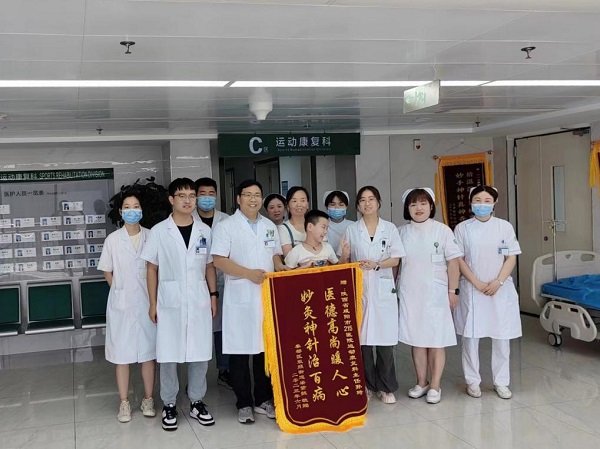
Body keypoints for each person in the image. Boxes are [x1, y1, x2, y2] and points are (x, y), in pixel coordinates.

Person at [142, 178, 217, 431]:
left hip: (198, 299)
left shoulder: (204, 231)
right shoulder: (159, 231)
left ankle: (197, 401)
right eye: (182, 196)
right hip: (169, 300)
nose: (188, 201)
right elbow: (151, 268)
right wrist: (153, 303)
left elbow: (209, 266)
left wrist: (213, 296)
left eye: (192, 196)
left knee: (200, 353)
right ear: (171, 200)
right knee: (168, 353)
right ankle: (170, 403)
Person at [211, 179, 287, 424]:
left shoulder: (268, 225)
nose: (253, 199)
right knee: (240, 352)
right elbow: (219, 260)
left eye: (257, 195)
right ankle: (243, 403)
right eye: (248, 194)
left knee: (264, 350)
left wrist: (281, 268)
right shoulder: (226, 226)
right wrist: (247, 273)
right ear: (238, 199)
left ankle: (262, 400)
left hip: (265, 296)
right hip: (240, 296)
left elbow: (274, 255)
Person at [454, 185, 522, 400]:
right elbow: (458, 259)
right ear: (470, 202)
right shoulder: (462, 228)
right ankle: (472, 381)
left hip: (499, 289)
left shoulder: (504, 227)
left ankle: (501, 382)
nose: (482, 205)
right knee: (471, 337)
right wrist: (476, 282)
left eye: (486, 201)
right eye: (477, 200)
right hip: (472, 289)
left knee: (501, 336)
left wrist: (498, 282)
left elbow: (511, 257)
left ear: (494, 203)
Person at [339, 186, 404, 404]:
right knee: (363, 342)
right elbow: (344, 262)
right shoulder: (351, 230)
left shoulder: (390, 228)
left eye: (371, 199)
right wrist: (345, 255)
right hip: (361, 290)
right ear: (358, 205)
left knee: (385, 342)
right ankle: (367, 384)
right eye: (363, 200)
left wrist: (377, 264)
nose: (367, 204)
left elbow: (396, 258)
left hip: (383, 288)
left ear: (378, 202)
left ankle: (386, 387)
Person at [397, 188, 462, 404]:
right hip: (410, 292)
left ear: (431, 206)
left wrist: (453, 291)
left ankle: (435, 385)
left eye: (423, 203)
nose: (418, 208)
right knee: (416, 339)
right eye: (413, 204)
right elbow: (395, 264)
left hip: (436, 293)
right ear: (407, 208)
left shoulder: (442, 231)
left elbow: (453, 263)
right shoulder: (401, 232)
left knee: (436, 339)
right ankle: (421, 382)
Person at [97, 191, 157, 423]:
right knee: (121, 355)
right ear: (121, 212)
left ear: (142, 210)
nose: (133, 211)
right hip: (121, 304)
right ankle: (124, 402)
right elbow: (106, 269)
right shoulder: (113, 240)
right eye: (128, 207)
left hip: (147, 302)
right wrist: (118, 289)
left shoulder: (152, 236)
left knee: (148, 354)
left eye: (136, 206)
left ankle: (148, 399)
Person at [193, 177, 232, 389]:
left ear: (216, 195)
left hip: (222, 281)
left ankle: (224, 370)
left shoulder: (226, 220)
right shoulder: (187, 219)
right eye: (202, 194)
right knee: (200, 330)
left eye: (211, 194)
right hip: (197, 283)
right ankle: (196, 379)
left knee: (222, 328)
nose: (207, 198)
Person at [278, 186, 309, 258]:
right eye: (294, 201)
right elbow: (289, 258)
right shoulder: (283, 229)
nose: (299, 204)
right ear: (287, 206)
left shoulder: (315, 225)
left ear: (307, 205)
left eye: (303, 200)